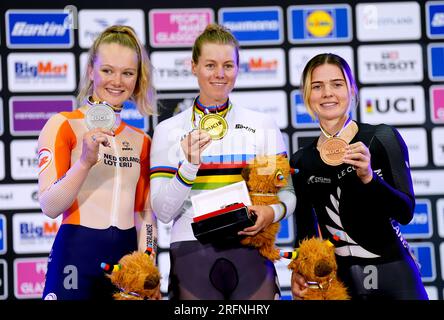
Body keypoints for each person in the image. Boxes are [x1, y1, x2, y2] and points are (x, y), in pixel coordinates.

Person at [150, 23, 296, 300]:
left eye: (228, 65)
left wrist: (270, 214)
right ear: (193, 66)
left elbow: (287, 194)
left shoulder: (262, 125)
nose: (220, 74)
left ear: (238, 68)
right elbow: (163, 211)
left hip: (250, 249)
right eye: (210, 65)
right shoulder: (168, 131)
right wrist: (190, 165)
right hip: (192, 252)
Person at [290, 53, 428, 300]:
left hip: (395, 276)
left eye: (337, 84)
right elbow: (306, 232)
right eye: (317, 86)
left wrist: (369, 177)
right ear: (307, 96)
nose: (327, 93)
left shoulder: (381, 138)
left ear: (352, 89)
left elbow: (405, 212)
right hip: (341, 286)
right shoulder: (302, 161)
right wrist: (301, 270)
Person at [38, 25, 159, 300]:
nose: (117, 81)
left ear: (137, 79)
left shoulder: (141, 139)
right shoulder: (63, 125)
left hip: (127, 264)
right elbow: (50, 205)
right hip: (76, 256)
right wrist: (84, 162)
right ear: (91, 70)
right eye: (107, 70)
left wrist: (147, 263)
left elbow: (145, 216)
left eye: (127, 73)